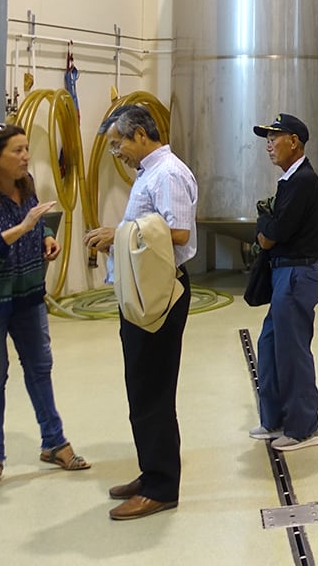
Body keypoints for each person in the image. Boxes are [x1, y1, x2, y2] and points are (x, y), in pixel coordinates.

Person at [0, 122, 91, 493]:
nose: (26, 156)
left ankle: (54, 442)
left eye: (27, 148)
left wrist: (45, 236)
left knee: (40, 366)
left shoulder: (25, 184)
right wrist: (25, 228)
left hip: (25, 293)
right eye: (17, 150)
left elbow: (34, 221)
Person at [83, 104, 197, 521]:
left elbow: (178, 232)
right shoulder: (150, 172)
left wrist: (118, 234)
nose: (118, 153)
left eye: (119, 144)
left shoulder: (167, 174)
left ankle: (162, 487)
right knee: (141, 388)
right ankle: (151, 471)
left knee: (153, 391)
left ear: (141, 136)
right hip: (143, 293)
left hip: (160, 294)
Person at [248, 113, 318, 451]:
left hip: (296, 275)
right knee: (269, 346)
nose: (269, 145)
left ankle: (306, 427)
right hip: (284, 275)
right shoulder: (289, 181)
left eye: (274, 138)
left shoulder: (302, 181)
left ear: (294, 141)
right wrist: (267, 227)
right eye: (267, 140)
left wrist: (264, 226)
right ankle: (276, 419)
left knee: (292, 352)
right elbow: (270, 231)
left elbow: (272, 235)